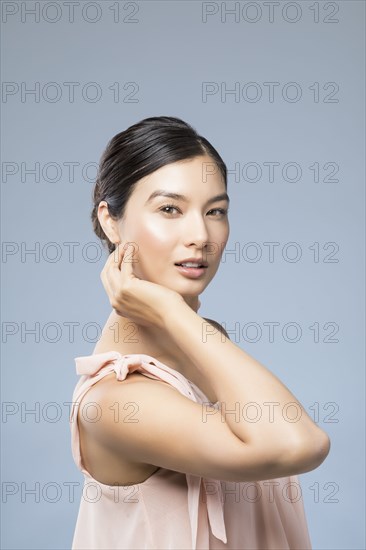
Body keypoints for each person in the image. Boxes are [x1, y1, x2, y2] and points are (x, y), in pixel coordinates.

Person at [69, 116, 330, 549]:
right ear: (111, 221)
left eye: (216, 211)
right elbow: (299, 443)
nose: (200, 235)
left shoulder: (204, 343)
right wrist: (173, 314)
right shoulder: (115, 402)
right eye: (169, 209)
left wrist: (184, 323)